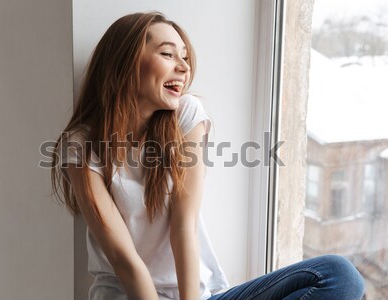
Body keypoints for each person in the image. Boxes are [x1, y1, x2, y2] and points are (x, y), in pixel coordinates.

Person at [51, 12, 365, 300]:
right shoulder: (80, 145)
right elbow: (124, 261)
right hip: (131, 296)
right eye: (167, 54)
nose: (184, 67)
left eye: (185, 57)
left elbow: (183, 226)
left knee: (340, 276)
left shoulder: (186, 116)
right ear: (126, 63)